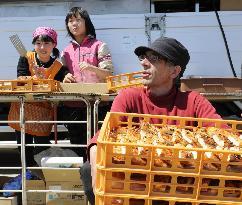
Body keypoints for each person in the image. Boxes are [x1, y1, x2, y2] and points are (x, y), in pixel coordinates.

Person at [81, 37, 226, 205]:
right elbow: (106, 133)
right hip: (136, 182)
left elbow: (222, 133)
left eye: (154, 58)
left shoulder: (193, 101)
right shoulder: (129, 97)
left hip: (180, 188)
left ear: (174, 71)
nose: (144, 63)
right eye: (143, 57)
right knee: (87, 169)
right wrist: (95, 160)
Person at [59, 7, 114, 159]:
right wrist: (65, 76)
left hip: (98, 106)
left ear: (86, 22)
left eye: (78, 20)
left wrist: (92, 68)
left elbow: (109, 74)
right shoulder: (65, 52)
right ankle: (83, 180)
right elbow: (61, 74)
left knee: (99, 146)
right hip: (73, 108)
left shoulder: (100, 46)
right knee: (77, 147)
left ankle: (96, 179)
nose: (74, 24)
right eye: (70, 21)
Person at [8, 26, 67, 167]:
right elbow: (20, 78)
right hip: (23, 110)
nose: (42, 47)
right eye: (38, 43)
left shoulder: (58, 66)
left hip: (42, 112)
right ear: (34, 44)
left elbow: (59, 85)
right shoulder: (25, 58)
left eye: (47, 43)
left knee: (42, 148)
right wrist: (33, 78)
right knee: (23, 146)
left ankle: (42, 176)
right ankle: (27, 175)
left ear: (54, 44)